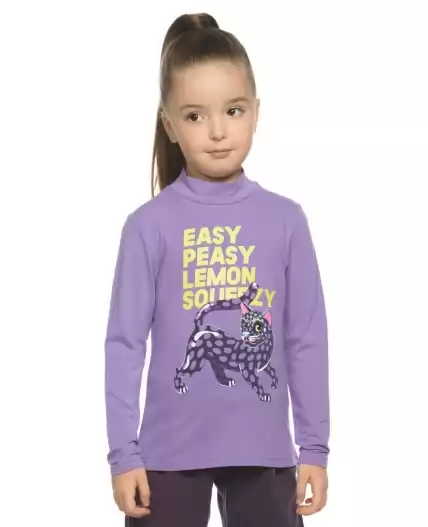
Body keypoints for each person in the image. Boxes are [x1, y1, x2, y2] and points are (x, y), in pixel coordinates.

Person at [104, 12, 330, 527]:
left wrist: (314, 447)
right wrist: (123, 455)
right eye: (194, 116)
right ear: (169, 124)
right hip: (167, 455)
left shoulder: (285, 220)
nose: (219, 131)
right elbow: (124, 344)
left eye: (233, 110)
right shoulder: (147, 227)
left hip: (264, 451)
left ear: (256, 111)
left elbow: (306, 338)